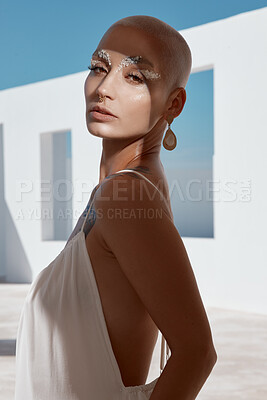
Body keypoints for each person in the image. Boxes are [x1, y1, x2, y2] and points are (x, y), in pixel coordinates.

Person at [14, 15, 217, 400]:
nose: (103, 88)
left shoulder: (126, 195)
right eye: (98, 68)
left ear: (174, 103)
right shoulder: (116, 192)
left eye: (135, 76)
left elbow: (197, 353)